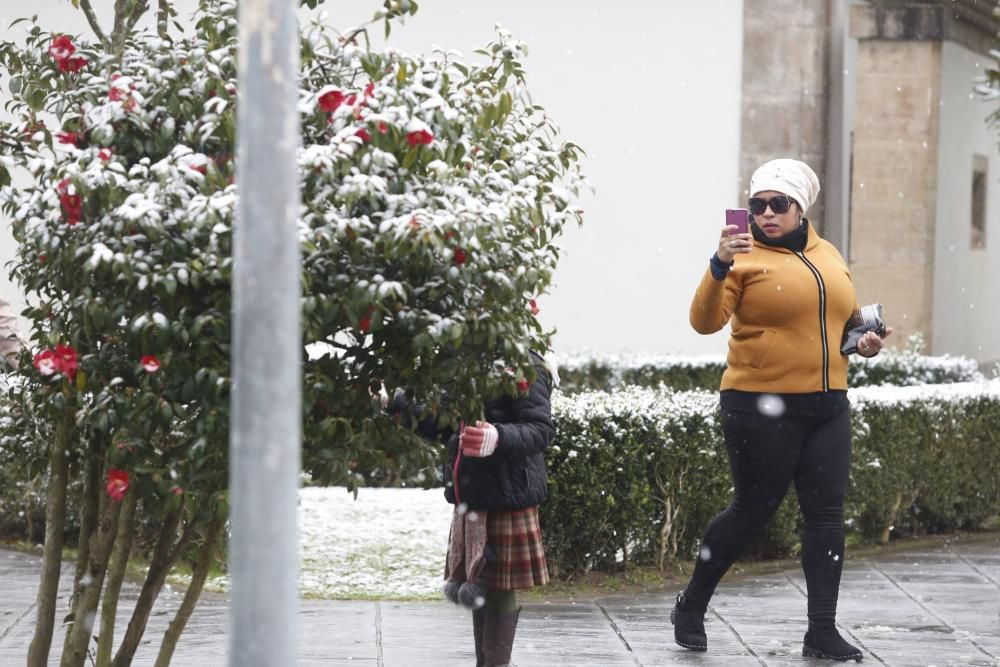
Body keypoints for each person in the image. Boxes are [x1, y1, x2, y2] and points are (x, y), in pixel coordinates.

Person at [674, 158, 891, 662]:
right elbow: (704, 322)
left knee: (826, 517)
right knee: (752, 513)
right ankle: (691, 605)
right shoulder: (741, 257)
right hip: (757, 403)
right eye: (758, 205)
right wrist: (718, 264)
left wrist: (864, 342)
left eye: (779, 204)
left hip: (828, 404)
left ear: (801, 207)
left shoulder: (828, 254)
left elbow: (839, 328)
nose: (766, 214)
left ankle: (821, 631)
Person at [398, 351, 554, 667]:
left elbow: (540, 429)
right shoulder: (464, 357)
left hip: (508, 493)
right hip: (473, 491)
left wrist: (497, 437)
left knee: (498, 588)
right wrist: (399, 405)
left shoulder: (526, 362)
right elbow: (446, 426)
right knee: (480, 586)